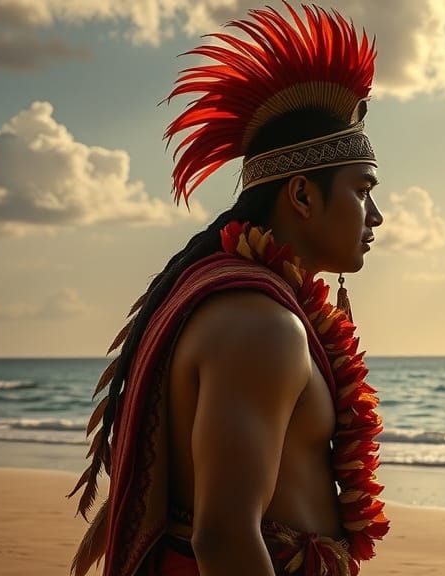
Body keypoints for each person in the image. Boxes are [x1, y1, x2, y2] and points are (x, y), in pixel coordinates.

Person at [69, 6, 389, 576]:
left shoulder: (249, 307)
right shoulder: (262, 326)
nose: (377, 216)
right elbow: (223, 538)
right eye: (363, 190)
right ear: (302, 195)